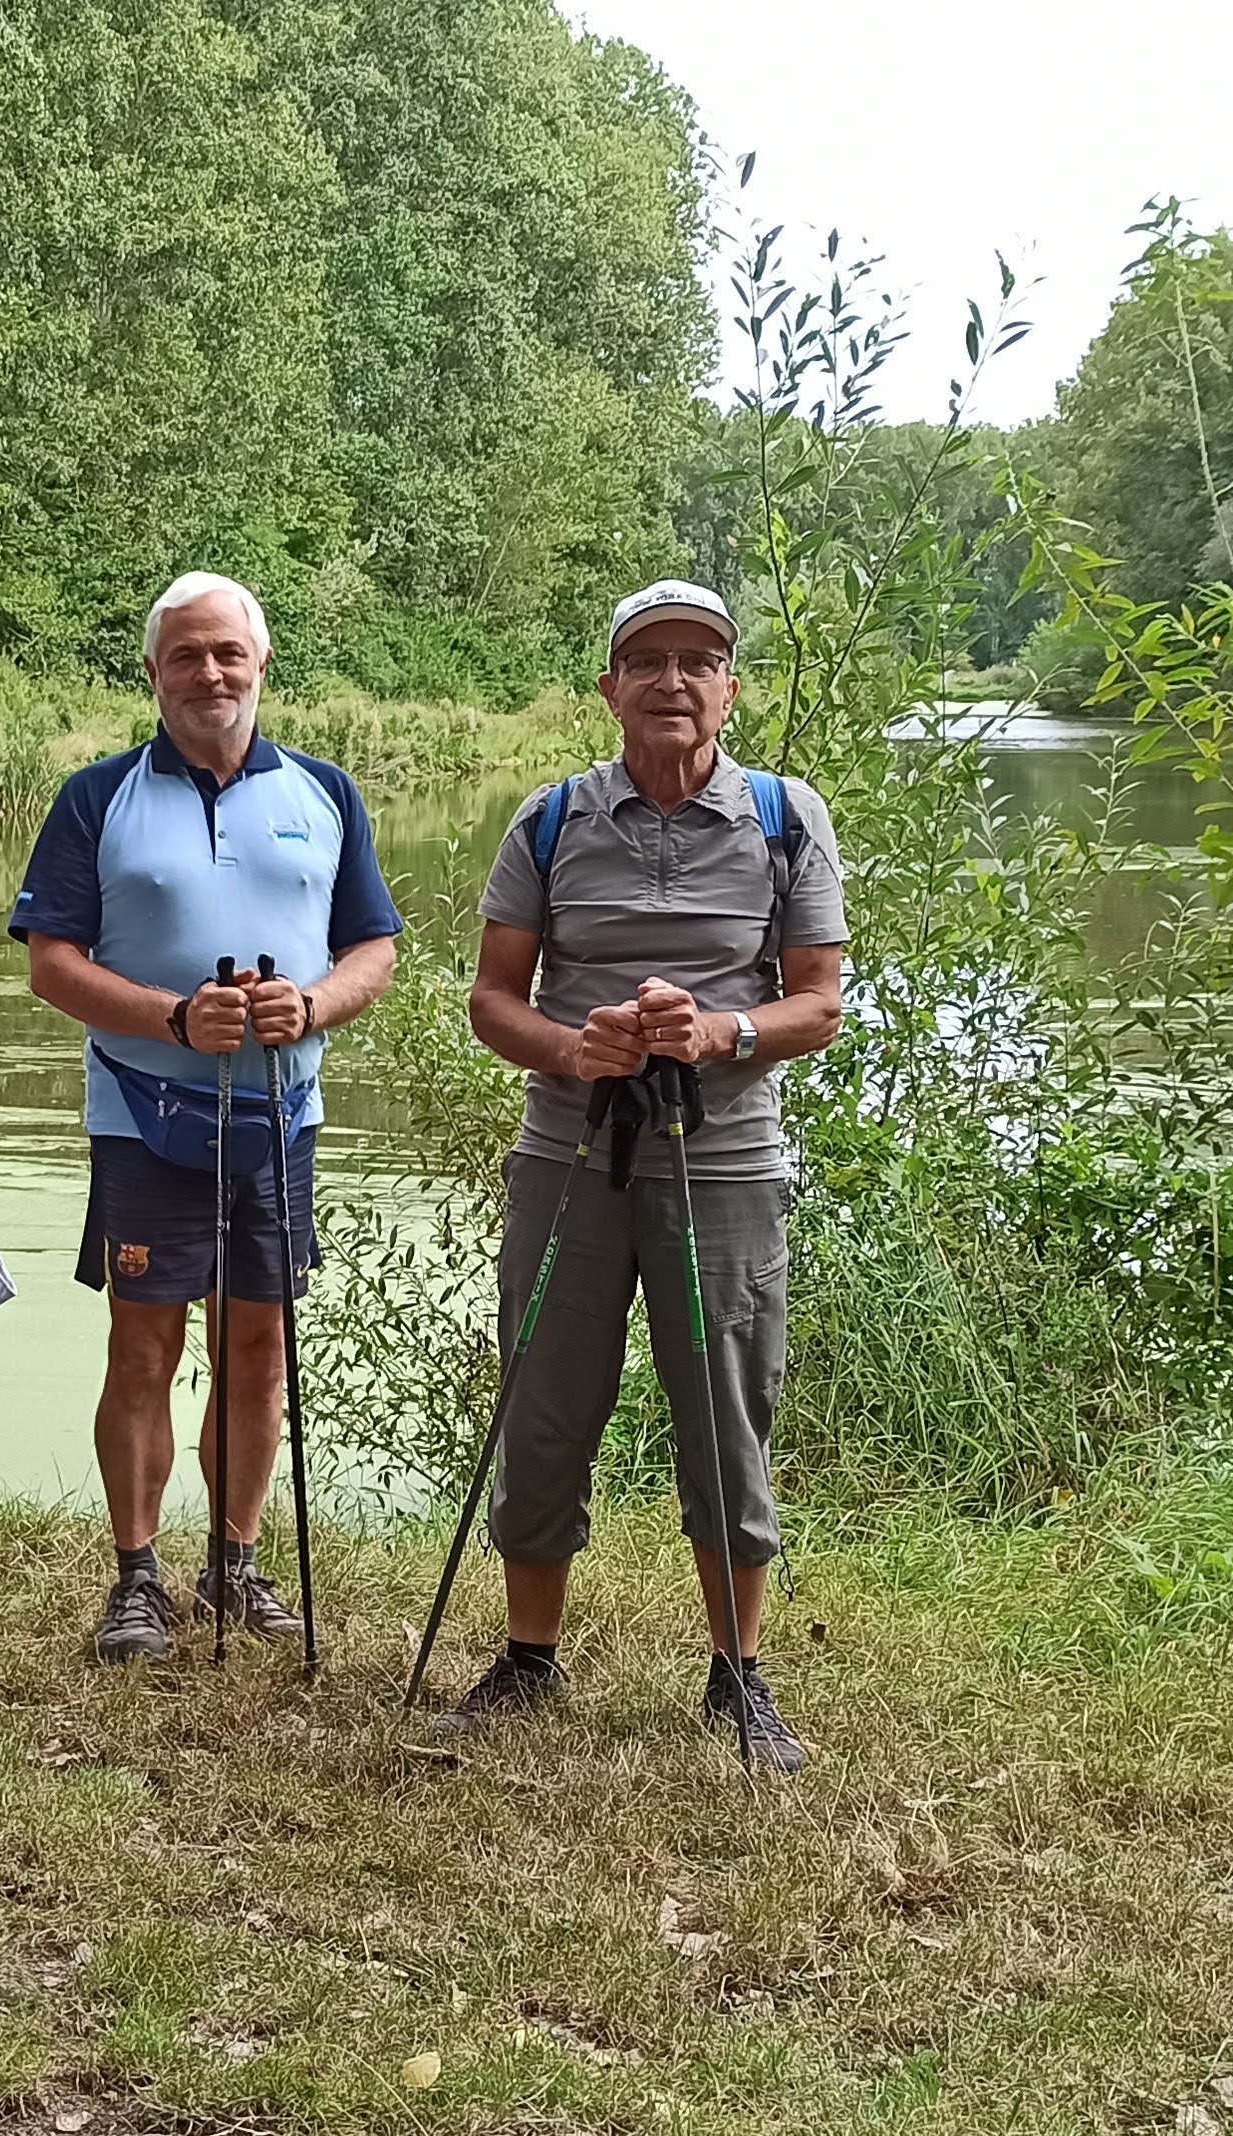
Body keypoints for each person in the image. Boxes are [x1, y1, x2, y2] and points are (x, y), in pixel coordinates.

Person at [446, 579, 847, 1770]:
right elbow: (491, 1000)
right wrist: (575, 1049)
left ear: (729, 688)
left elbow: (818, 1004)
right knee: (544, 1404)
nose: (673, 681)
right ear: (609, 687)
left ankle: (738, 1677)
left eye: (698, 661)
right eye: (648, 661)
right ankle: (527, 1659)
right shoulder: (549, 820)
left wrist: (718, 1032)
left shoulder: (783, 816)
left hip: (724, 1164)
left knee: (726, 1416)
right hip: (567, 1156)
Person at [13, 572, 400, 1664]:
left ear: (261, 661)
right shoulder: (96, 796)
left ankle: (233, 1563)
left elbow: (373, 947)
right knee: (143, 1343)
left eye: (227, 651)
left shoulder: (325, 793)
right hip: (142, 1113)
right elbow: (51, 964)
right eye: (185, 654)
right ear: (153, 672)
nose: (209, 672)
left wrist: (311, 1005)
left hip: (282, 1113)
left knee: (257, 1343)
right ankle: (137, 1576)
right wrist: (174, 1019)